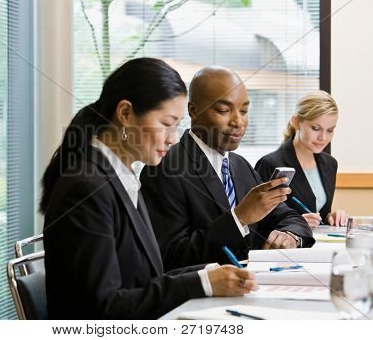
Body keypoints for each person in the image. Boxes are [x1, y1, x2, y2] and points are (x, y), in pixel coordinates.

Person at [40, 58, 257, 320]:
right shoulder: (87, 187)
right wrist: (203, 283)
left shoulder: (122, 175)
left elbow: (148, 275)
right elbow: (102, 308)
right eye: (166, 124)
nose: (173, 138)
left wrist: (209, 273)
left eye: (176, 126)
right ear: (125, 114)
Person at [140, 66, 314, 271]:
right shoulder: (165, 167)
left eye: (244, 111)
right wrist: (239, 218)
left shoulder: (241, 166)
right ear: (193, 111)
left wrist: (289, 236)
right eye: (224, 111)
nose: (238, 122)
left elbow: (289, 217)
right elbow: (170, 256)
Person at [255, 90, 347, 228]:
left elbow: (319, 214)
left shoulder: (330, 164)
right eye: (316, 128)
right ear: (296, 122)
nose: (323, 138)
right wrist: (296, 222)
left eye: (330, 130)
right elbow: (257, 221)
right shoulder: (270, 164)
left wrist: (330, 217)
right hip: (286, 247)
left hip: (320, 246)